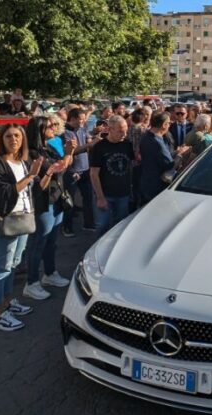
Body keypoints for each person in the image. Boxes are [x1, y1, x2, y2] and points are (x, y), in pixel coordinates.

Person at [0, 124, 44, 331]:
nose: (13, 140)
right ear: (2, 139)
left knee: (14, 263)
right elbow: (5, 192)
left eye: (17, 136)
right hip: (7, 220)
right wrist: (30, 176)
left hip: (24, 217)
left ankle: (7, 302)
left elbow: (31, 191)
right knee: (1, 268)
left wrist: (42, 175)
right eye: (9, 136)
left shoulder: (23, 161)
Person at [22, 117, 74, 301]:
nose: (54, 127)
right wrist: (62, 160)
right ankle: (31, 282)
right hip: (43, 202)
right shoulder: (33, 153)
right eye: (50, 125)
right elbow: (53, 171)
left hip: (56, 198)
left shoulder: (48, 147)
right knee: (38, 243)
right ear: (40, 130)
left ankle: (50, 273)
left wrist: (70, 152)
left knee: (51, 241)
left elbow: (63, 166)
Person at [89, 115, 134, 237]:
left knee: (119, 227)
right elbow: (94, 173)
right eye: (120, 131)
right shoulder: (99, 147)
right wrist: (100, 197)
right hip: (105, 195)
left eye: (125, 130)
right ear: (110, 129)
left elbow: (132, 165)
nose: (124, 134)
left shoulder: (127, 145)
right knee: (102, 226)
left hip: (123, 194)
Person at [61, 107, 99, 237]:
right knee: (69, 201)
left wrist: (92, 138)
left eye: (84, 119)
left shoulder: (82, 128)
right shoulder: (65, 132)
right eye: (80, 120)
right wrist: (90, 144)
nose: (83, 122)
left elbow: (88, 138)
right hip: (72, 171)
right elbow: (73, 150)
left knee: (88, 198)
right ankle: (67, 227)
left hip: (85, 169)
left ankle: (88, 223)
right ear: (72, 119)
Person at [139, 112, 183, 204]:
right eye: (169, 123)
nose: (169, 126)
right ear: (164, 125)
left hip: (146, 182)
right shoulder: (157, 142)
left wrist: (175, 152)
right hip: (157, 187)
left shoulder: (145, 136)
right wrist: (180, 154)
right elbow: (169, 165)